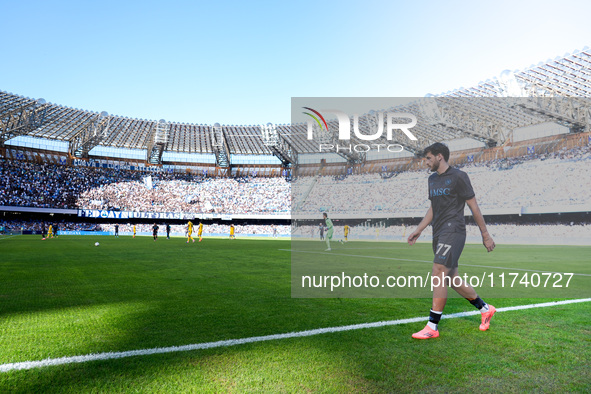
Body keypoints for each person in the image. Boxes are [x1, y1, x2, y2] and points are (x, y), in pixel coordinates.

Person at [407, 142, 496, 340]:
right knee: (451, 278)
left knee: (438, 271)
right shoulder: (431, 180)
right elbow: (433, 209)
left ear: (440, 156)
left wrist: (485, 234)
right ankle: (485, 308)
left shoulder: (459, 177)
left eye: (428, 158)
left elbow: (474, 207)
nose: (425, 162)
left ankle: (432, 326)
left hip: (454, 230)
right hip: (437, 232)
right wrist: (419, 230)